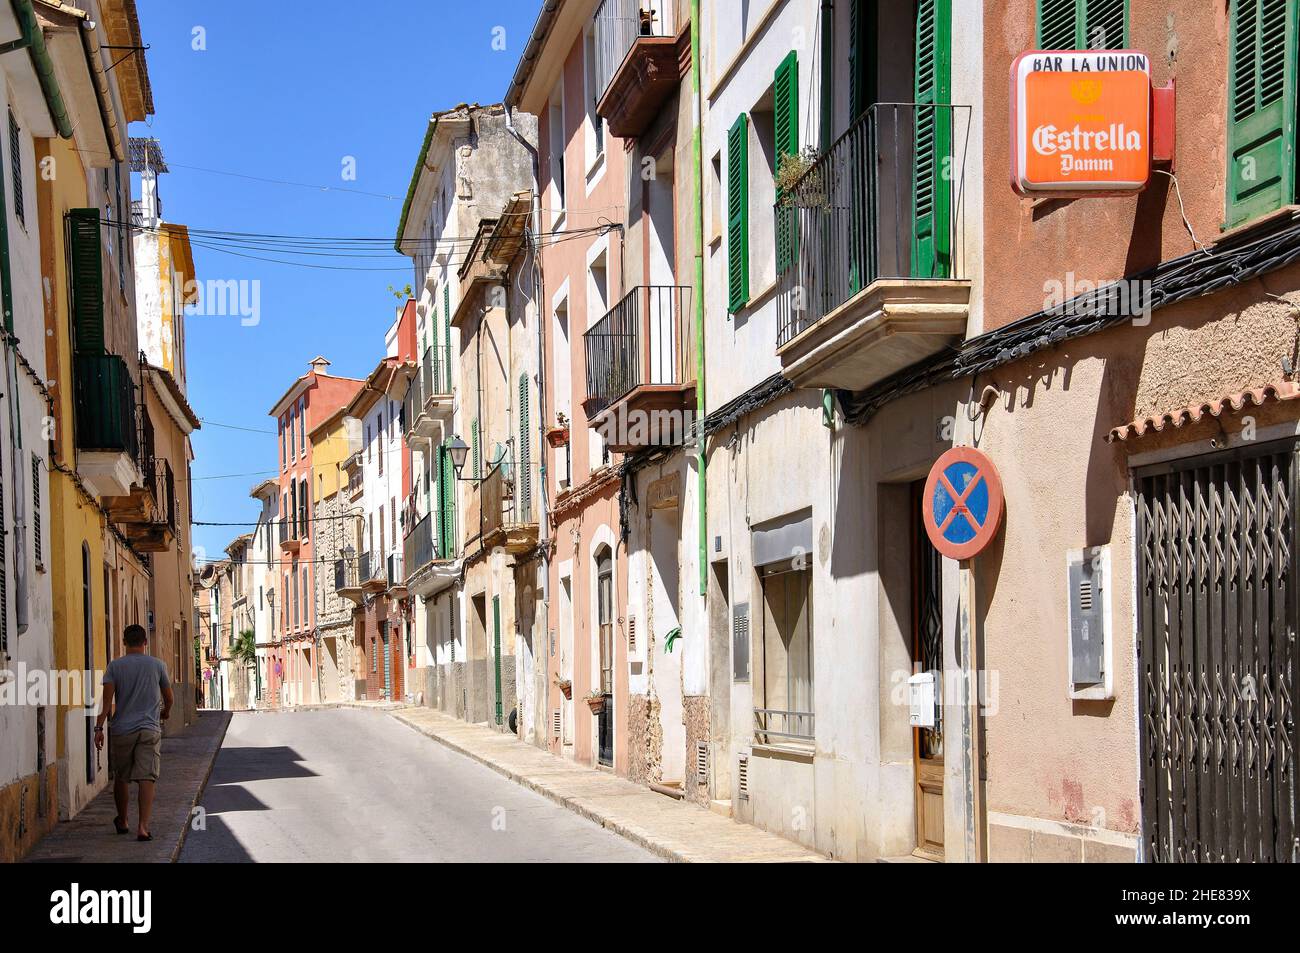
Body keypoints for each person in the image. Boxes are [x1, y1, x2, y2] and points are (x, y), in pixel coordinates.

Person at [94, 624, 174, 841]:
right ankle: (143, 827)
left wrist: (99, 728)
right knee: (147, 777)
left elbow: (107, 703)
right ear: (145, 642)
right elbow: (169, 698)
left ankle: (123, 820)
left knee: (122, 777)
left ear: (124, 642)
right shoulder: (157, 665)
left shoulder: (115, 667)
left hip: (122, 731)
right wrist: (165, 713)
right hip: (149, 729)